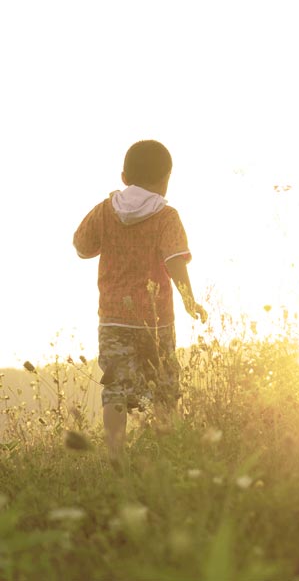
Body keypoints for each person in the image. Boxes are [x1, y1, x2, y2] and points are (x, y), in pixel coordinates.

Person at [73, 139, 206, 461]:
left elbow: (81, 247)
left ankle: (116, 456)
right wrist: (189, 300)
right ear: (166, 179)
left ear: (123, 177)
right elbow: (175, 261)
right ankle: (166, 450)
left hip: (113, 319)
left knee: (116, 387)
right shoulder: (166, 216)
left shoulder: (104, 211)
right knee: (162, 385)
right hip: (156, 319)